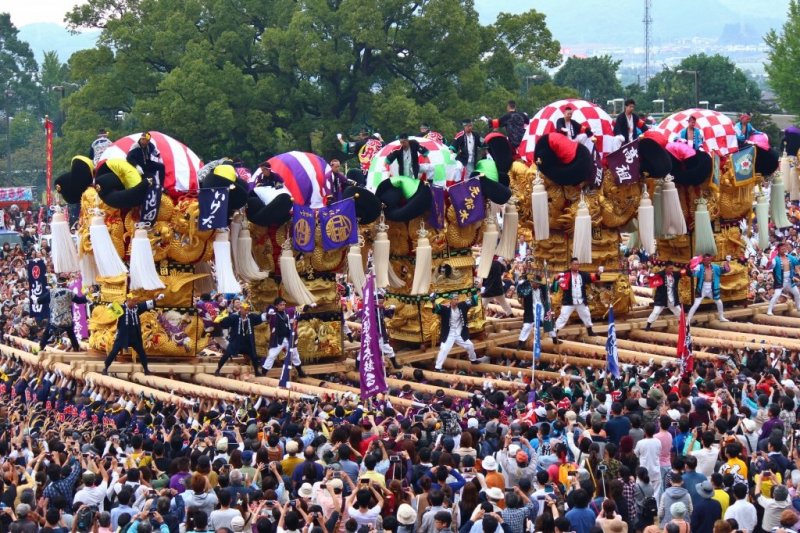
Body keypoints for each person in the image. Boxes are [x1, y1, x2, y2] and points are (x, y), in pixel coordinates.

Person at [102, 293, 164, 375]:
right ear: (128, 300)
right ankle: (105, 368)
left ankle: (146, 370)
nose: (135, 303)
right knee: (114, 351)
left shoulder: (137, 308)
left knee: (141, 352)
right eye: (134, 301)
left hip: (135, 336)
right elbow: (111, 309)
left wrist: (157, 299)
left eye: (136, 301)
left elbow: (146, 304)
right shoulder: (122, 308)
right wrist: (111, 306)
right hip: (123, 336)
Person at [430, 293, 488, 371]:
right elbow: (436, 308)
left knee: (470, 345)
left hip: (460, 333)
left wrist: (479, 293)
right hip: (449, 334)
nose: (456, 301)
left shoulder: (462, 305)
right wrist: (433, 301)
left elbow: (472, 301)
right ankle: (438, 367)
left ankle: (473, 360)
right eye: (455, 299)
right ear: (450, 300)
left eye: (457, 299)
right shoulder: (445, 308)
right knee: (444, 349)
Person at [212, 302, 268, 376]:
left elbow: (260, 318)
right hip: (236, 340)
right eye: (245, 309)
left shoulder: (251, 317)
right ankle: (217, 370)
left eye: (248, 310)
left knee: (254, 356)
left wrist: (267, 314)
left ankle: (257, 372)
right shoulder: (234, 317)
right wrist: (220, 319)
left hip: (248, 341)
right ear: (241, 309)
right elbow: (225, 323)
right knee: (226, 355)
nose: (247, 311)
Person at [37, 276, 91, 352]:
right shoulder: (69, 292)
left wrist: (36, 299)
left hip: (55, 321)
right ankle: (76, 348)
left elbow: (40, 301)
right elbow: (79, 300)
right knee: (71, 334)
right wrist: (86, 297)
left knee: (46, 333)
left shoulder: (52, 292)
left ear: (57, 284)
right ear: (66, 284)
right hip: (67, 320)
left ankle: (41, 347)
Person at [553, 258, 602, 337]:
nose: (576, 266)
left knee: (586, 315)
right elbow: (556, 280)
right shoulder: (565, 274)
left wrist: (599, 273)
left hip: (580, 301)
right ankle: (554, 333)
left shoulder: (582, 274)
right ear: (571, 265)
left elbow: (592, 278)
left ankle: (590, 331)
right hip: (569, 301)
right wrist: (556, 279)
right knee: (563, 316)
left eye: (578, 264)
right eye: (575, 264)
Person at [260, 298, 306, 377]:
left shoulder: (287, 312)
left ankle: (300, 372)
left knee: (295, 354)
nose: (283, 306)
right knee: (272, 355)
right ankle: (263, 373)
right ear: (276, 306)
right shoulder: (273, 314)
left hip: (288, 338)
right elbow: (267, 312)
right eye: (281, 305)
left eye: (284, 304)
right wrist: (269, 312)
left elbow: (299, 308)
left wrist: (308, 306)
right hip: (278, 339)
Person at [516, 272, 559, 348]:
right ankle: (521, 342)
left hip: (542, 308)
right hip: (531, 310)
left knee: (549, 323)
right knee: (526, 326)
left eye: (538, 284)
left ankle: (555, 339)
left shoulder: (543, 287)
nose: (537, 285)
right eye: (536, 283)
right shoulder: (527, 288)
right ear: (532, 282)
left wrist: (555, 280)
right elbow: (519, 290)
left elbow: (552, 289)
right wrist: (526, 280)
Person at [686, 253, 731, 324]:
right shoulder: (700, 267)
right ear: (703, 260)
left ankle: (721, 317)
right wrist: (691, 264)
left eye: (709, 260)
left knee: (719, 302)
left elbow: (726, 270)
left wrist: (727, 262)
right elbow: (690, 273)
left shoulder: (715, 267)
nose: (708, 262)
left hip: (712, 288)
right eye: (706, 260)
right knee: (696, 304)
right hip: (702, 288)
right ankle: (688, 320)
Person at [645, 262, 683, 330]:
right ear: (666, 268)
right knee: (656, 312)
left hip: (672, 297)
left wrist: (689, 269)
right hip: (662, 297)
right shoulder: (660, 274)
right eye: (670, 268)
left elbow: (682, 273)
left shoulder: (674, 274)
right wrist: (649, 277)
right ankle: (648, 325)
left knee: (679, 311)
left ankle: (683, 324)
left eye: (672, 268)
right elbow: (651, 278)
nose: (671, 270)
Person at [767, 241, 800, 315]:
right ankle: (769, 310)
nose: (784, 250)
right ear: (778, 250)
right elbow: (770, 267)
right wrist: (770, 272)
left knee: (797, 293)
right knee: (777, 295)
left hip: (789, 280)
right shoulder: (775, 259)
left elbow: (797, 262)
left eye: (784, 248)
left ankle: (798, 307)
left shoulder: (790, 257)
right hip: (780, 281)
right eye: (782, 249)